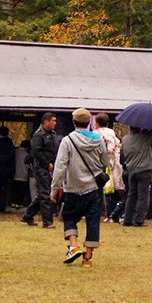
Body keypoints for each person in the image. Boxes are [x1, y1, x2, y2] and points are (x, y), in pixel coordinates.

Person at [50, 108, 109, 268]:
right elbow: (105, 162)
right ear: (89, 122)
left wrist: (54, 189)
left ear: (74, 122)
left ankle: (74, 245)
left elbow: (60, 166)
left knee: (69, 217)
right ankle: (88, 258)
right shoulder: (98, 140)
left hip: (73, 187)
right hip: (94, 187)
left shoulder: (68, 141)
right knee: (93, 220)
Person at [23, 113, 61, 228]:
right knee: (45, 194)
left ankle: (28, 215)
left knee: (42, 194)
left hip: (52, 166)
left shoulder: (53, 134)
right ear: (46, 122)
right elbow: (36, 152)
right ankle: (47, 221)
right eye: (53, 121)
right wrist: (47, 163)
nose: (55, 123)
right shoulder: (38, 135)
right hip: (41, 167)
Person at [120, 126, 152, 227]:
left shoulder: (125, 139)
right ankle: (139, 219)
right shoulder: (144, 138)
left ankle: (127, 219)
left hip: (131, 169)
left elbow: (122, 155)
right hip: (144, 169)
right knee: (142, 196)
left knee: (131, 195)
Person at [93, 113, 122, 222]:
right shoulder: (112, 133)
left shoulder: (95, 133)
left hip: (99, 164)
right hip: (114, 163)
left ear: (97, 123)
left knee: (100, 189)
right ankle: (112, 213)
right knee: (114, 189)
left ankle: (99, 212)